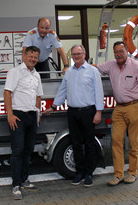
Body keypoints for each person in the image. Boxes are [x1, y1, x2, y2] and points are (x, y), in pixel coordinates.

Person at [45, 44, 104, 188]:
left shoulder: (92, 71)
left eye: (79, 53)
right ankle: (79, 172)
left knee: (89, 144)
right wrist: (53, 106)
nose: (77, 56)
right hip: (72, 112)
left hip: (88, 112)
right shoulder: (69, 72)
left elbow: (99, 92)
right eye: (74, 54)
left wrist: (99, 112)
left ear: (84, 54)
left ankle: (89, 174)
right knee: (76, 143)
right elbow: (62, 91)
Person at [95, 41, 138, 186]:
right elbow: (95, 68)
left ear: (127, 51)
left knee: (134, 142)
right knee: (116, 141)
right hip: (118, 108)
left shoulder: (136, 66)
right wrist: (78, 63)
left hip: (135, 106)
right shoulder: (111, 65)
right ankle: (118, 174)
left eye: (121, 51)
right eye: (116, 52)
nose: (119, 54)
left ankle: (132, 172)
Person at [3, 46, 43, 200]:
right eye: (31, 56)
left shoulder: (37, 75)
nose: (33, 59)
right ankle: (16, 185)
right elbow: (7, 92)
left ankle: (25, 179)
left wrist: (38, 113)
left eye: (36, 57)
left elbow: (38, 96)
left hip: (32, 116)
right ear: (25, 56)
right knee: (18, 150)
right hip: (18, 116)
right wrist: (10, 114)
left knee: (28, 150)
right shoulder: (15, 72)